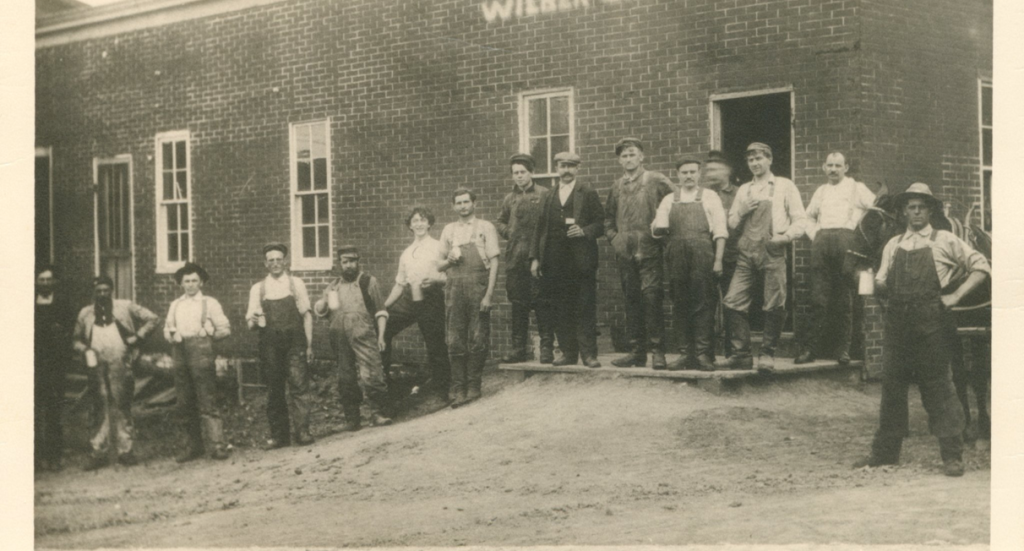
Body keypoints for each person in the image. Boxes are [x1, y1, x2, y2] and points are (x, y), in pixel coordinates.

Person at [854, 183, 989, 477]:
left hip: (932, 325)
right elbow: (881, 281)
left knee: (939, 388)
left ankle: (952, 456)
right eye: (910, 207)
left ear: (930, 211)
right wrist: (867, 279)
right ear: (903, 212)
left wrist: (954, 297)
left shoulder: (945, 240)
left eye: (921, 207)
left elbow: (981, 266)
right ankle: (885, 454)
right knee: (892, 388)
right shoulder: (893, 245)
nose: (916, 212)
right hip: (898, 326)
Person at [718, 142, 807, 372]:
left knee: (774, 303)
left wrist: (786, 237)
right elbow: (731, 223)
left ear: (769, 160)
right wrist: (743, 209)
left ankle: (767, 354)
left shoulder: (784, 186)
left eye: (759, 159)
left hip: (773, 250)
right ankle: (742, 354)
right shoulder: (744, 190)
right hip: (746, 252)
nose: (755, 164)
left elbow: (801, 220)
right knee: (732, 302)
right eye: (750, 160)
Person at [796, 152, 876, 365]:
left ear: (846, 167)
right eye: (829, 165)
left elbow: (875, 212)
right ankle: (810, 350)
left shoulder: (856, 188)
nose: (833, 169)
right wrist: (816, 236)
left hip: (847, 243)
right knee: (818, 299)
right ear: (824, 168)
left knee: (844, 299)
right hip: (822, 242)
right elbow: (807, 216)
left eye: (837, 166)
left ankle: (844, 351)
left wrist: (856, 237)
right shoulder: (821, 191)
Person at [73, 275, 159, 470]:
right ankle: (98, 451)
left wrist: (137, 337)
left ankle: (125, 450)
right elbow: (76, 340)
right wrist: (85, 350)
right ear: (94, 293)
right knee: (99, 405)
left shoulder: (125, 306)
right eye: (98, 291)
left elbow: (152, 319)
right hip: (96, 363)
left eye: (106, 290)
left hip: (120, 361)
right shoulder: (85, 313)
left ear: (111, 291)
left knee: (122, 404)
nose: (102, 294)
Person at [604, 137, 675, 369]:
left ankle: (658, 352)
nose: (628, 159)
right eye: (624, 156)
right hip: (625, 253)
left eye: (632, 154)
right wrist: (615, 239)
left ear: (641, 156)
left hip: (650, 250)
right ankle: (637, 352)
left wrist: (664, 236)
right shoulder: (616, 186)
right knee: (631, 300)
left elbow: (676, 203)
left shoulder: (655, 180)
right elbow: (608, 219)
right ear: (619, 160)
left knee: (652, 298)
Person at [530, 151, 605, 368]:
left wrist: (584, 231)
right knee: (560, 307)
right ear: (557, 168)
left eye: (571, 166)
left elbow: (601, 222)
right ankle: (568, 353)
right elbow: (539, 228)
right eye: (562, 166)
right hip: (554, 261)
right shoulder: (549, 195)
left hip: (581, 261)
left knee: (584, 307)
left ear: (577, 169)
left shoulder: (587, 192)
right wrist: (535, 258)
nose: (566, 171)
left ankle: (589, 355)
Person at [652, 159, 727, 371]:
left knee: (703, 304)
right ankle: (685, 354)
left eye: (693, 172)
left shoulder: (709, 197)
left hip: (703, 254)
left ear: (699, 174)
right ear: (677, 175)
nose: (688, 176)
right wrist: (659, 228)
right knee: (680, 304)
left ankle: (703, 355)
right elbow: (658, 230)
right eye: (684, 172)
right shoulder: (669, 200)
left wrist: (718, 260)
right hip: (677, 256)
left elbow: (720, 232)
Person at [314, 246, 392, 431]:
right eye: (345, 262)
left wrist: (381, 336)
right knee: (346, 378)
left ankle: (378, 413)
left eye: (352, 261)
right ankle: (352, 419)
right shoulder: (333, 286)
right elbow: (322, 312)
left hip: (364, 334)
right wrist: (322, 302)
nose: (349, 266)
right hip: (340, 338)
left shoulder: (367, 282)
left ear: (358, 262)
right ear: (339, 264)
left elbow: (381, 311)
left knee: (372, 374)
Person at [245, 243, 315, 449]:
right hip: (269, 347)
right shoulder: (258, 289)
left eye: (278, 259)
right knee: (274, 390)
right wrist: (254, 321)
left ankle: (302, 431)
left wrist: (309, 345)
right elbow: (250, 324)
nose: (275, 263)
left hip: (295, 344)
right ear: (265, 263)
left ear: (285, 261)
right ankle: (279, 436)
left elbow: (307, 315)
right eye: (271, 260)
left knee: (299, 386)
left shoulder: (296, 284)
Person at [164, 262, 232, 462]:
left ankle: (218, 446)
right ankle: (192, 447)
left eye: (194, 281)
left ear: (201, 282)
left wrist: (210, 333)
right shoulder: (175, 305)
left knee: (208, 401)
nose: (191, 285)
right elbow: (167, 329)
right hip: (180, 355)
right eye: (187, 281)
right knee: (184, 403)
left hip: (202, 355)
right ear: (181, 283)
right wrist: (171, 336)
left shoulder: (210, 303)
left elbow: (225, 329)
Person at [381, 206, 451, 401]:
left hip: (431, 298)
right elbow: (399, 284)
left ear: (429, 223)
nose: (419, 224)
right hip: (410, 298)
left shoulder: (439, 246)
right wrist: (384, 307)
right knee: (384, 328)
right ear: (410, 226)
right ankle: (384, 380)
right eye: (415, 221)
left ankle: (442, 389)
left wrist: (436, 281)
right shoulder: (406, 252)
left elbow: (450, 276)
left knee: (435, 343)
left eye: (422, 220)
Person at [439, 188, 500, 407]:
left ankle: (474, 385)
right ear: (453, 206)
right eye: (458, 203)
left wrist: (488, 295)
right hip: (454, 288)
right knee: (454, 339)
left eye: (466, 202)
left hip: (478, 287)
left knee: (477, 336)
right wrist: (450, 261)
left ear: (474, 203)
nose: (463, 206)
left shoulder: (486, 227)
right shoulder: (448, 230)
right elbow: (438, 264)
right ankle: (458, 388)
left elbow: (494, 262)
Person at [495, 154, 554, 363]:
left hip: (537, 258)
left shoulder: (544, 194)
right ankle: (519, 348)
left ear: (531, 173)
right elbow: (500, 221)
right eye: (515, 173)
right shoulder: (509, 199)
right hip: (514, 259)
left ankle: (547, 348)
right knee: (518, 304)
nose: (519, 176)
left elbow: (550, 225)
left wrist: (539, 254)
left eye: (523, 172)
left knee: (542, 302)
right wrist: (508, 232)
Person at [34, 265, 75, 471]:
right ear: (36, 282)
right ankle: (35, 456)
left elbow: (70, 331)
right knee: (33, 411)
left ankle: (54, 455)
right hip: (34, 365)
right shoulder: (28, 303)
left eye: (48, 279)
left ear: (54, 282)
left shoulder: (63, 304)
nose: (45, 283)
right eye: (41, 280)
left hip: (55, 364)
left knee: (53, 410)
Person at [702, 151, 740, 359]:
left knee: (732, 305)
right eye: (708, 170)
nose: (711, 173)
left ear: (728, 170)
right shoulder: (703, 195)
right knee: (706, 306)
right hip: (706, 257)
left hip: (733, 257)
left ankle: (732, 353)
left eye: (715, 169)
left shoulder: (739, 194)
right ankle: (706, 354)